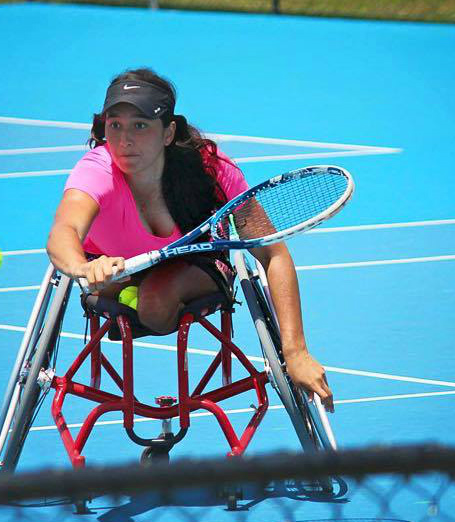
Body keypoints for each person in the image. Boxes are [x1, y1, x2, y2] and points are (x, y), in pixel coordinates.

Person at [46, 68, 333, 412]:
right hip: (111, 264)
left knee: (155, 303)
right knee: (142, 296)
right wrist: (81, 266)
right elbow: (64, 231)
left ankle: (135, 297)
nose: (124, 140)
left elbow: (274, 255)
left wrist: (296, 352)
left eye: (140, 125)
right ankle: (127, 290)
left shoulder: (212, 169)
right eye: (115, 125)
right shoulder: (96, 170)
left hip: (193, 266)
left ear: (167, 133)